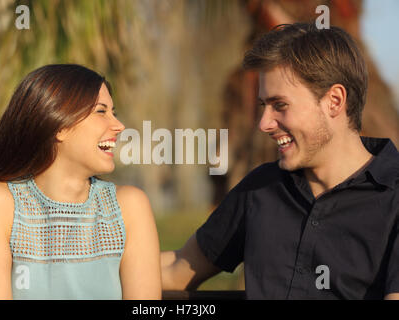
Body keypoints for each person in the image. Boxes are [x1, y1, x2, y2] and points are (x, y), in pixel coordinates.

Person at [161, 23, 399, 300]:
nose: (263, 124)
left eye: (280, 105)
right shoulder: (259, 188)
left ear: (334, 101)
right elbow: (177, 269)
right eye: (264, 106)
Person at [0, 64, 161, 299]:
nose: (118, 125)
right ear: (60, 125)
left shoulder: (129, 207)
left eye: (114, 112)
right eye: (101, 111)